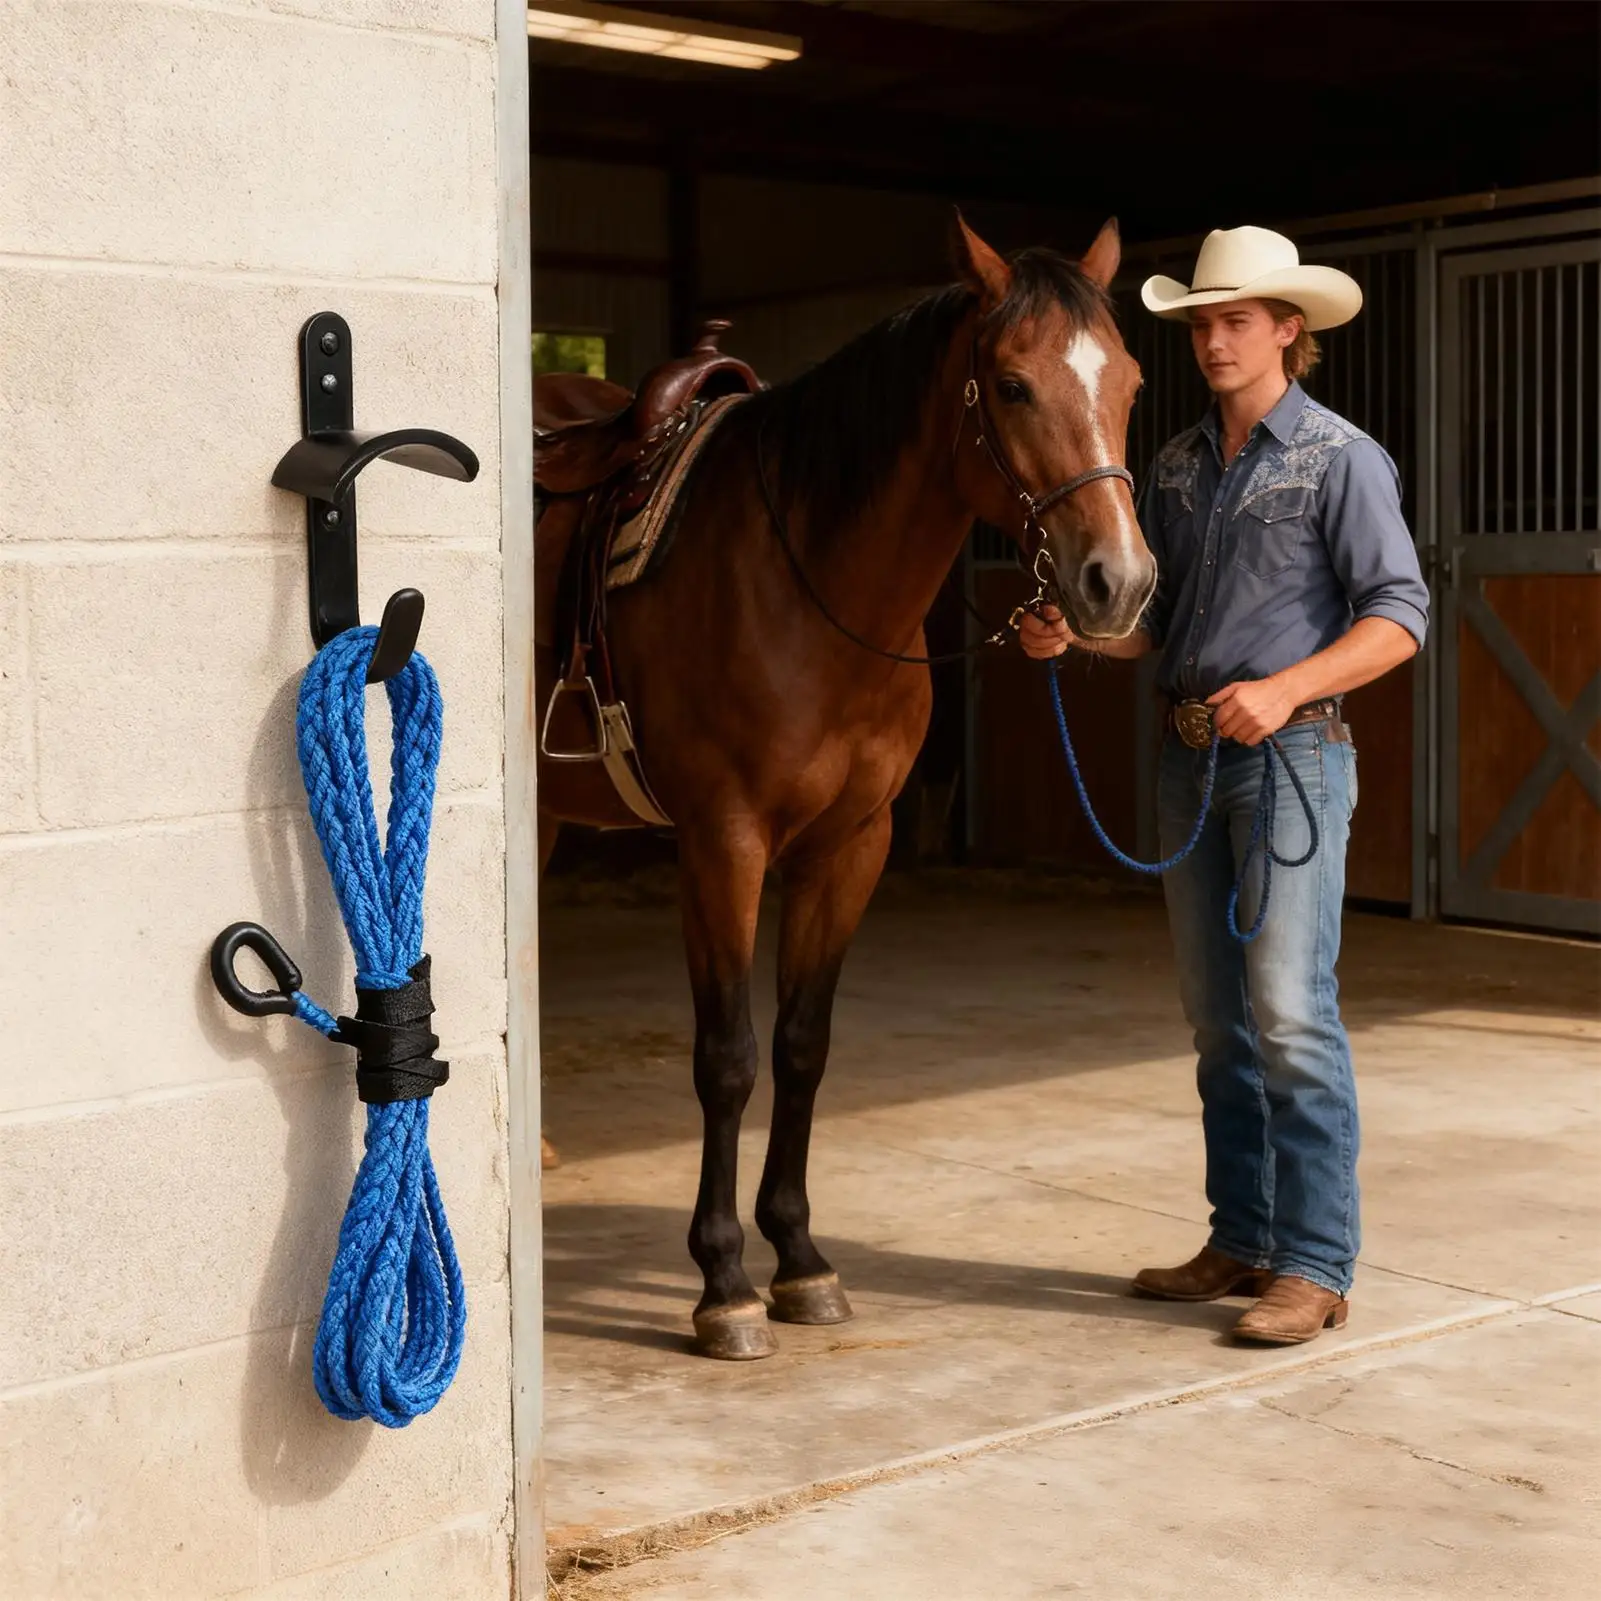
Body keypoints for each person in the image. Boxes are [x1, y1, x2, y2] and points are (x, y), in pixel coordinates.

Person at [1021, 226, 1428, 1344]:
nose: (1212, 340)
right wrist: (1076, 636)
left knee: (1290, 1013)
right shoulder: (1171, 466)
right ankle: (1241, 1236)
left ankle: (1314, 1264)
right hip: (1188, 753)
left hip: (1292, 757)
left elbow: (1398, 616)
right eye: (1200, 323)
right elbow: (1153, 627)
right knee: (1218, 1022)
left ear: (1287, 329)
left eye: (1234, 321)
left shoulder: (1339, 457)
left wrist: (1286, 688)